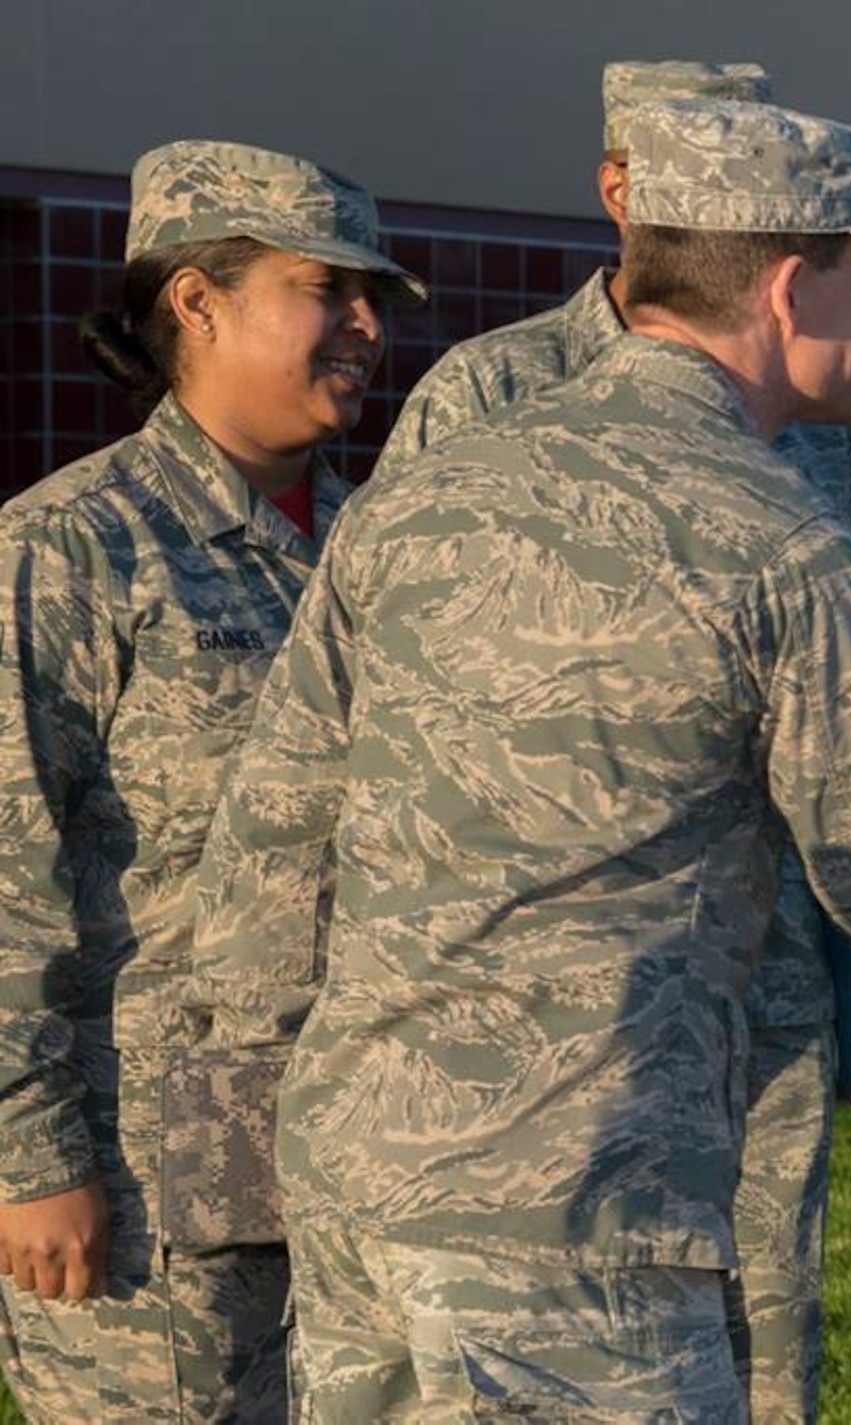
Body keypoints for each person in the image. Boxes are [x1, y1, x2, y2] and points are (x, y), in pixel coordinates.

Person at [183, 99, 851, 1420]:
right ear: (790, 287)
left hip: (364, 1194)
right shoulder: (783, 547)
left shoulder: (416, 501)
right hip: (584, 1217)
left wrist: (249, 1167)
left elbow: (273, 848)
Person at [375, 58, 851, 1422]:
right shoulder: (493, 396)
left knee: (766, 1349)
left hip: (754, 983)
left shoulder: (810, 422)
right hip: (557, 1029)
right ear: (620, 190)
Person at [0, 141, 422, 1420]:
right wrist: (30, 1157)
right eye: (326, 291)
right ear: (196, 300)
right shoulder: (74, 546)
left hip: (374, 1153)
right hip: (152, 1183)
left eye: (373, 303)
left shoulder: (384, 546)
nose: (363, 329)